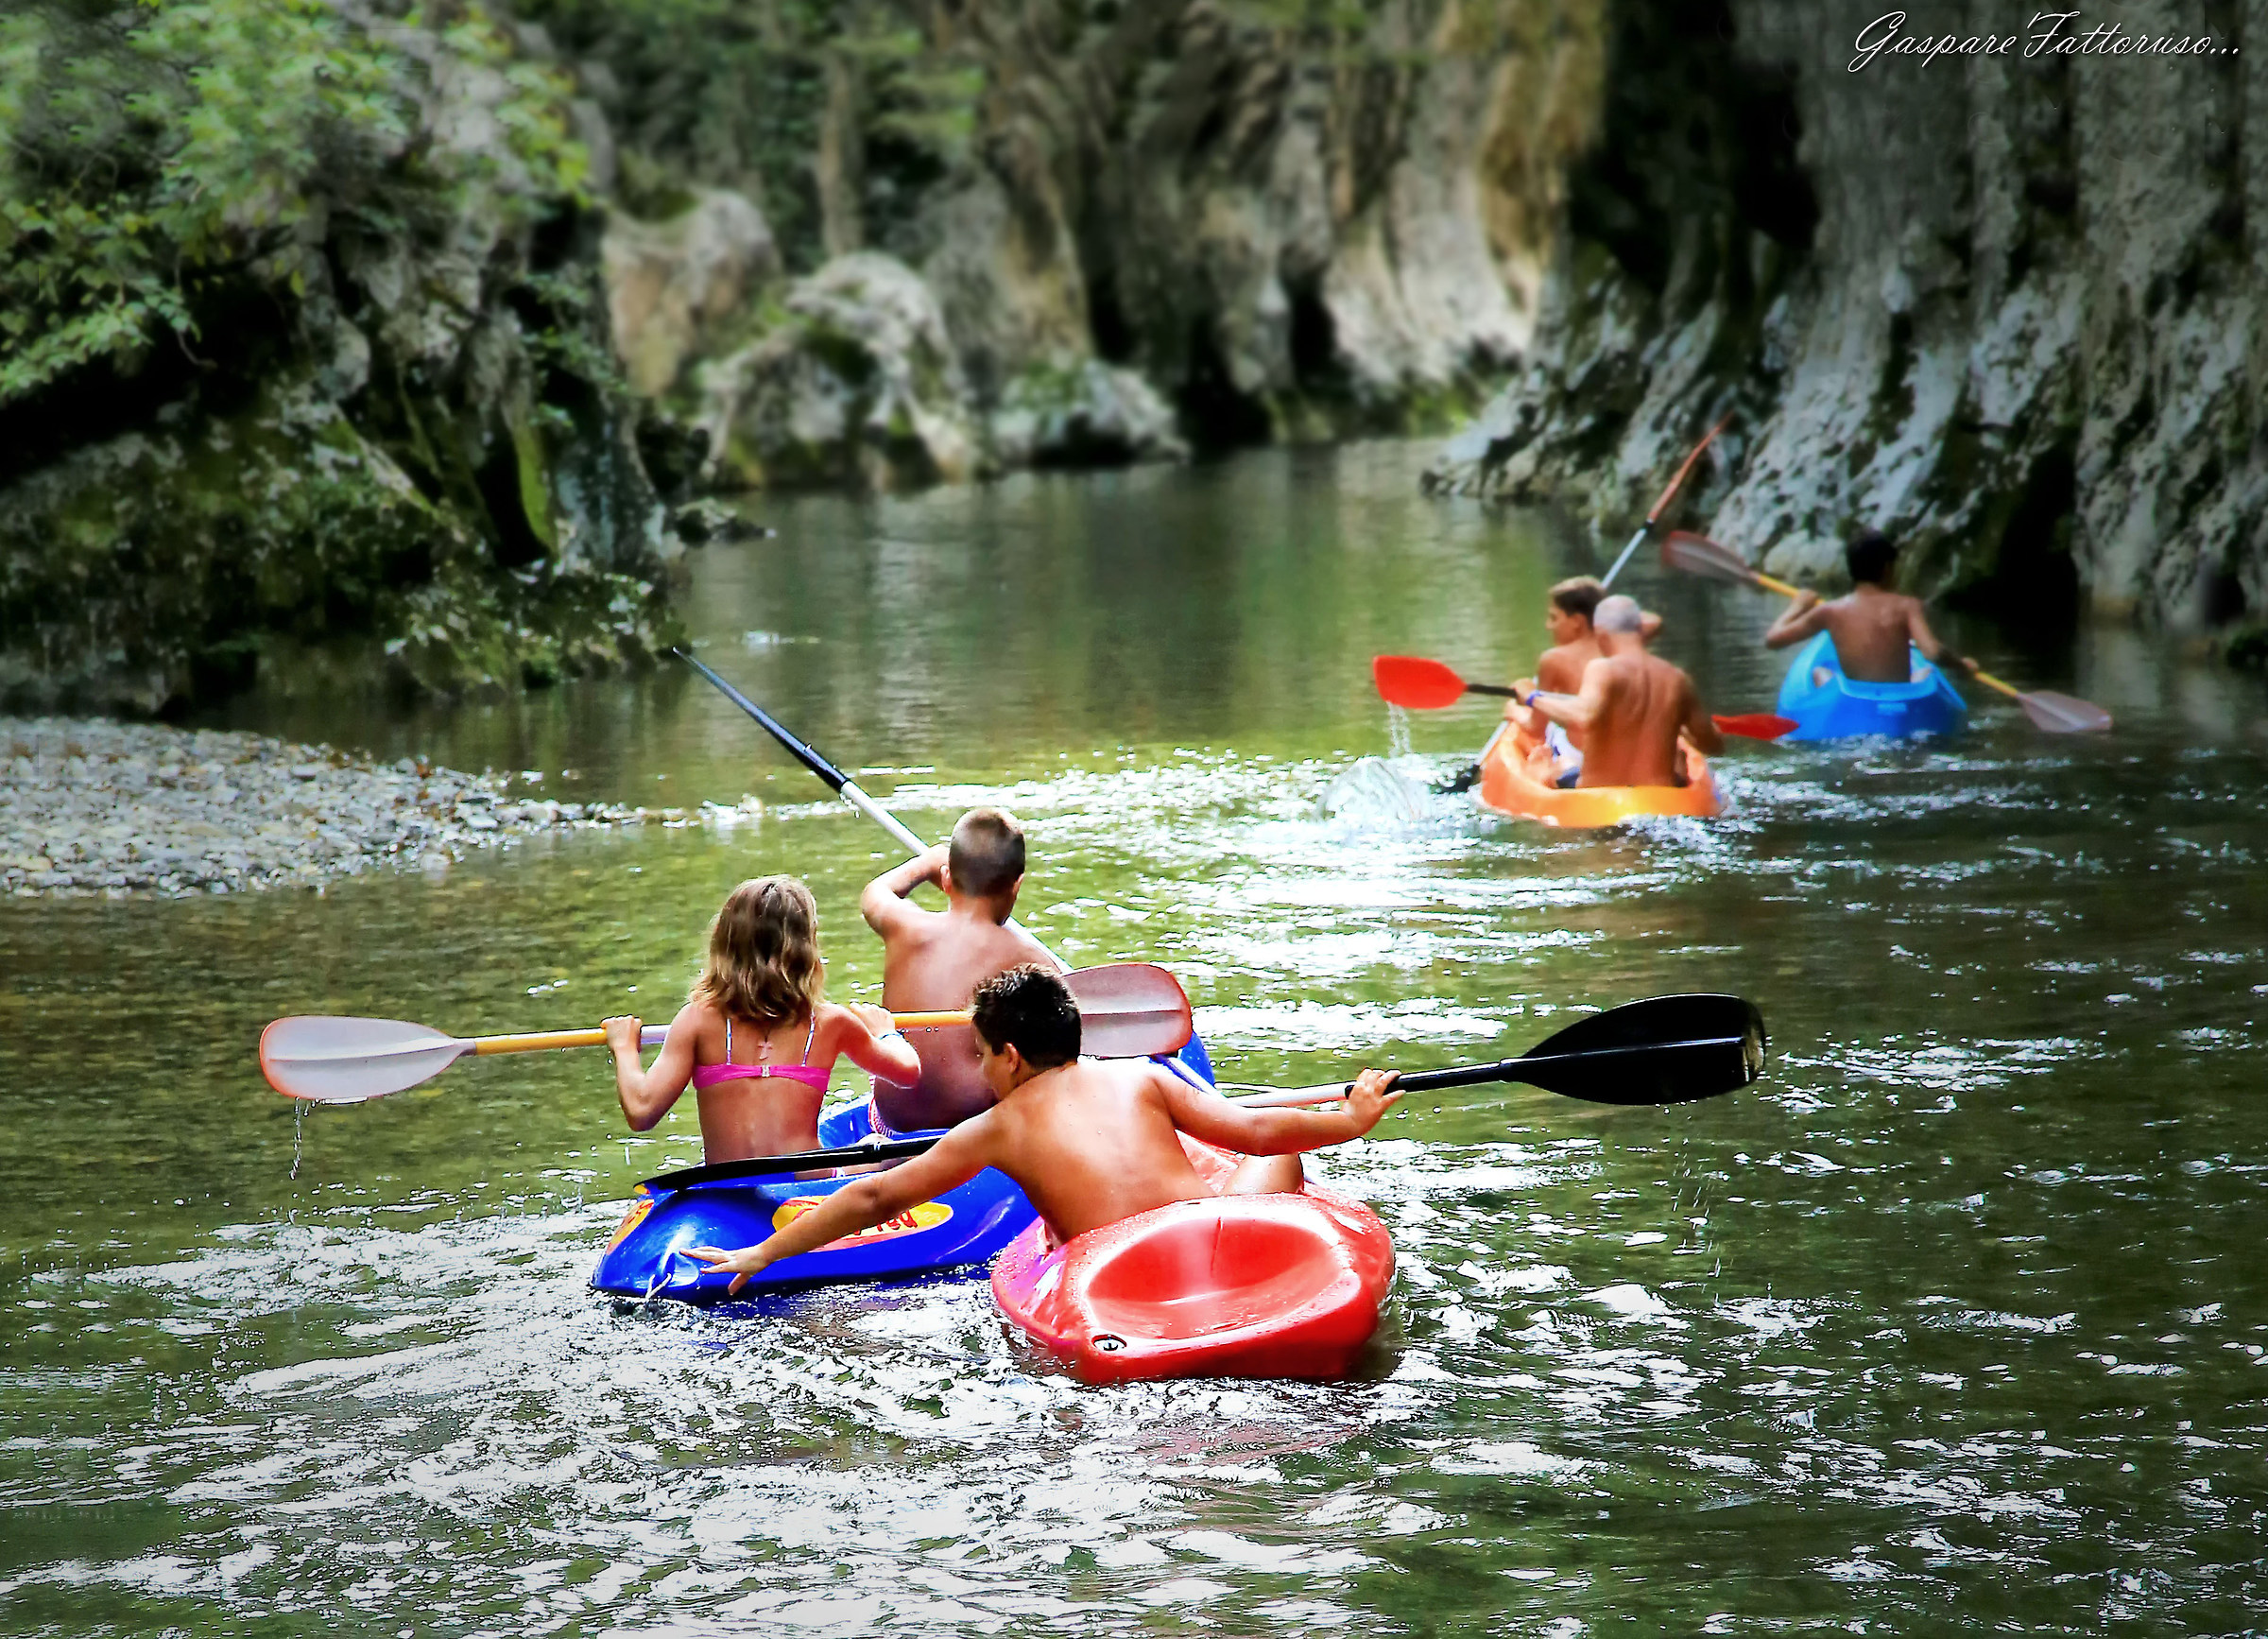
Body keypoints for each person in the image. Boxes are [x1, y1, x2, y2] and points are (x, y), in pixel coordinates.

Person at [690, 965, 1403, 1293]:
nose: (977, 1070)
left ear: (1009, 1055)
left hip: (1122, 1275)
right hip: (1212, 1239)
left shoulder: (997, 1127)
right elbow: (1252, 1130)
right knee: (1284, 1168)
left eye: (978, 1055)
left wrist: (765, 1253)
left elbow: (875, 1199)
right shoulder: (1144, 1074)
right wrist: (1349, 1118)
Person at [602, 876, 921, 1165]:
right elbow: (907, 1072)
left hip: (728, 1184)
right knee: (879, 1145)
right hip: (805, 1181)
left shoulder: (697, 1019)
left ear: (725, 943)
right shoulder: (831, 1022)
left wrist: (624, 1048)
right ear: (807, 948)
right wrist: (885, 1033)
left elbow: (641, 1111)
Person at [859, 806, 1058, 1135]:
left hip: (891, 1120)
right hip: (969, 1129)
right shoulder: (1029, 959)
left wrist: (928, 862)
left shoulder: (903, 925)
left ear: (947, 878)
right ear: (1017, 886)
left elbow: (874, 893)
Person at [1506, 595, 1723, 787]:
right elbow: (1713, 746)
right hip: (1662, 797)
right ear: (1640, 631)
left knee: (1554, 765)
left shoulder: (1603, 669)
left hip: (1599, 795)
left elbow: (1584, 715)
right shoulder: (1677, 678)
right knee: (1678, 757)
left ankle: (1544, 774)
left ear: (1600, 635)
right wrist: (1692, 730)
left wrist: (1532, 697)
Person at [1763, 527, 1980, 685]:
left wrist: (1798, 605)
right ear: (1887, 568)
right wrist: (1962, 666)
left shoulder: (1830, 611)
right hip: (1899, 701)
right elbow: (1932, 652)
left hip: (1855, 702)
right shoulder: (1907, 606)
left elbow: (1773, 640)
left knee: (1820, 671)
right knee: (1926, 672)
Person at [1504, 578, 1668, 785]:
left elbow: (1536, 727)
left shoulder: (1553, 659)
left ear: (1577, 622)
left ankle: (1562, 776)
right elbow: (1654, 621)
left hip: (1581, 759)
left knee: (1553, 753)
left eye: (1554, 618)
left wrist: (1513, 711)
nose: (1548, 626)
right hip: (1630, 757)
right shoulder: (1628, 641)